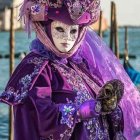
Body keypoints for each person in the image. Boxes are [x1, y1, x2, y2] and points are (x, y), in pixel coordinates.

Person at [0, 0, 140, 140]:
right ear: (45, 29)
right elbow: (43, 118)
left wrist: (110, 104)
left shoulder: (80, 66)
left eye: (73, 31)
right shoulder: (35, 69)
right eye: (59, 29)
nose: (67, 37)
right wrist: (88, 109)